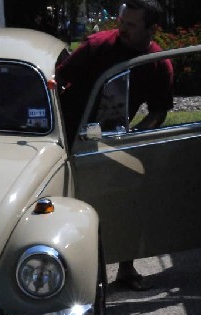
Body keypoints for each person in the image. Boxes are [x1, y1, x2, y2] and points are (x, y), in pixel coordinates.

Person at [56, 0, 174, 291]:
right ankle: (75, 274)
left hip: (117, 138)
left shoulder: (158, 63)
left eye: (131, 25)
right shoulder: (97, 46)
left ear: (152, 29)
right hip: (72, 136)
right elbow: (58, 81)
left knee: (125, 201)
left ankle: (126, 268)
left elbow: (159, 110)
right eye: (122, 21)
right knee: (76, 202)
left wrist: (134, 137)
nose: (122, 28)